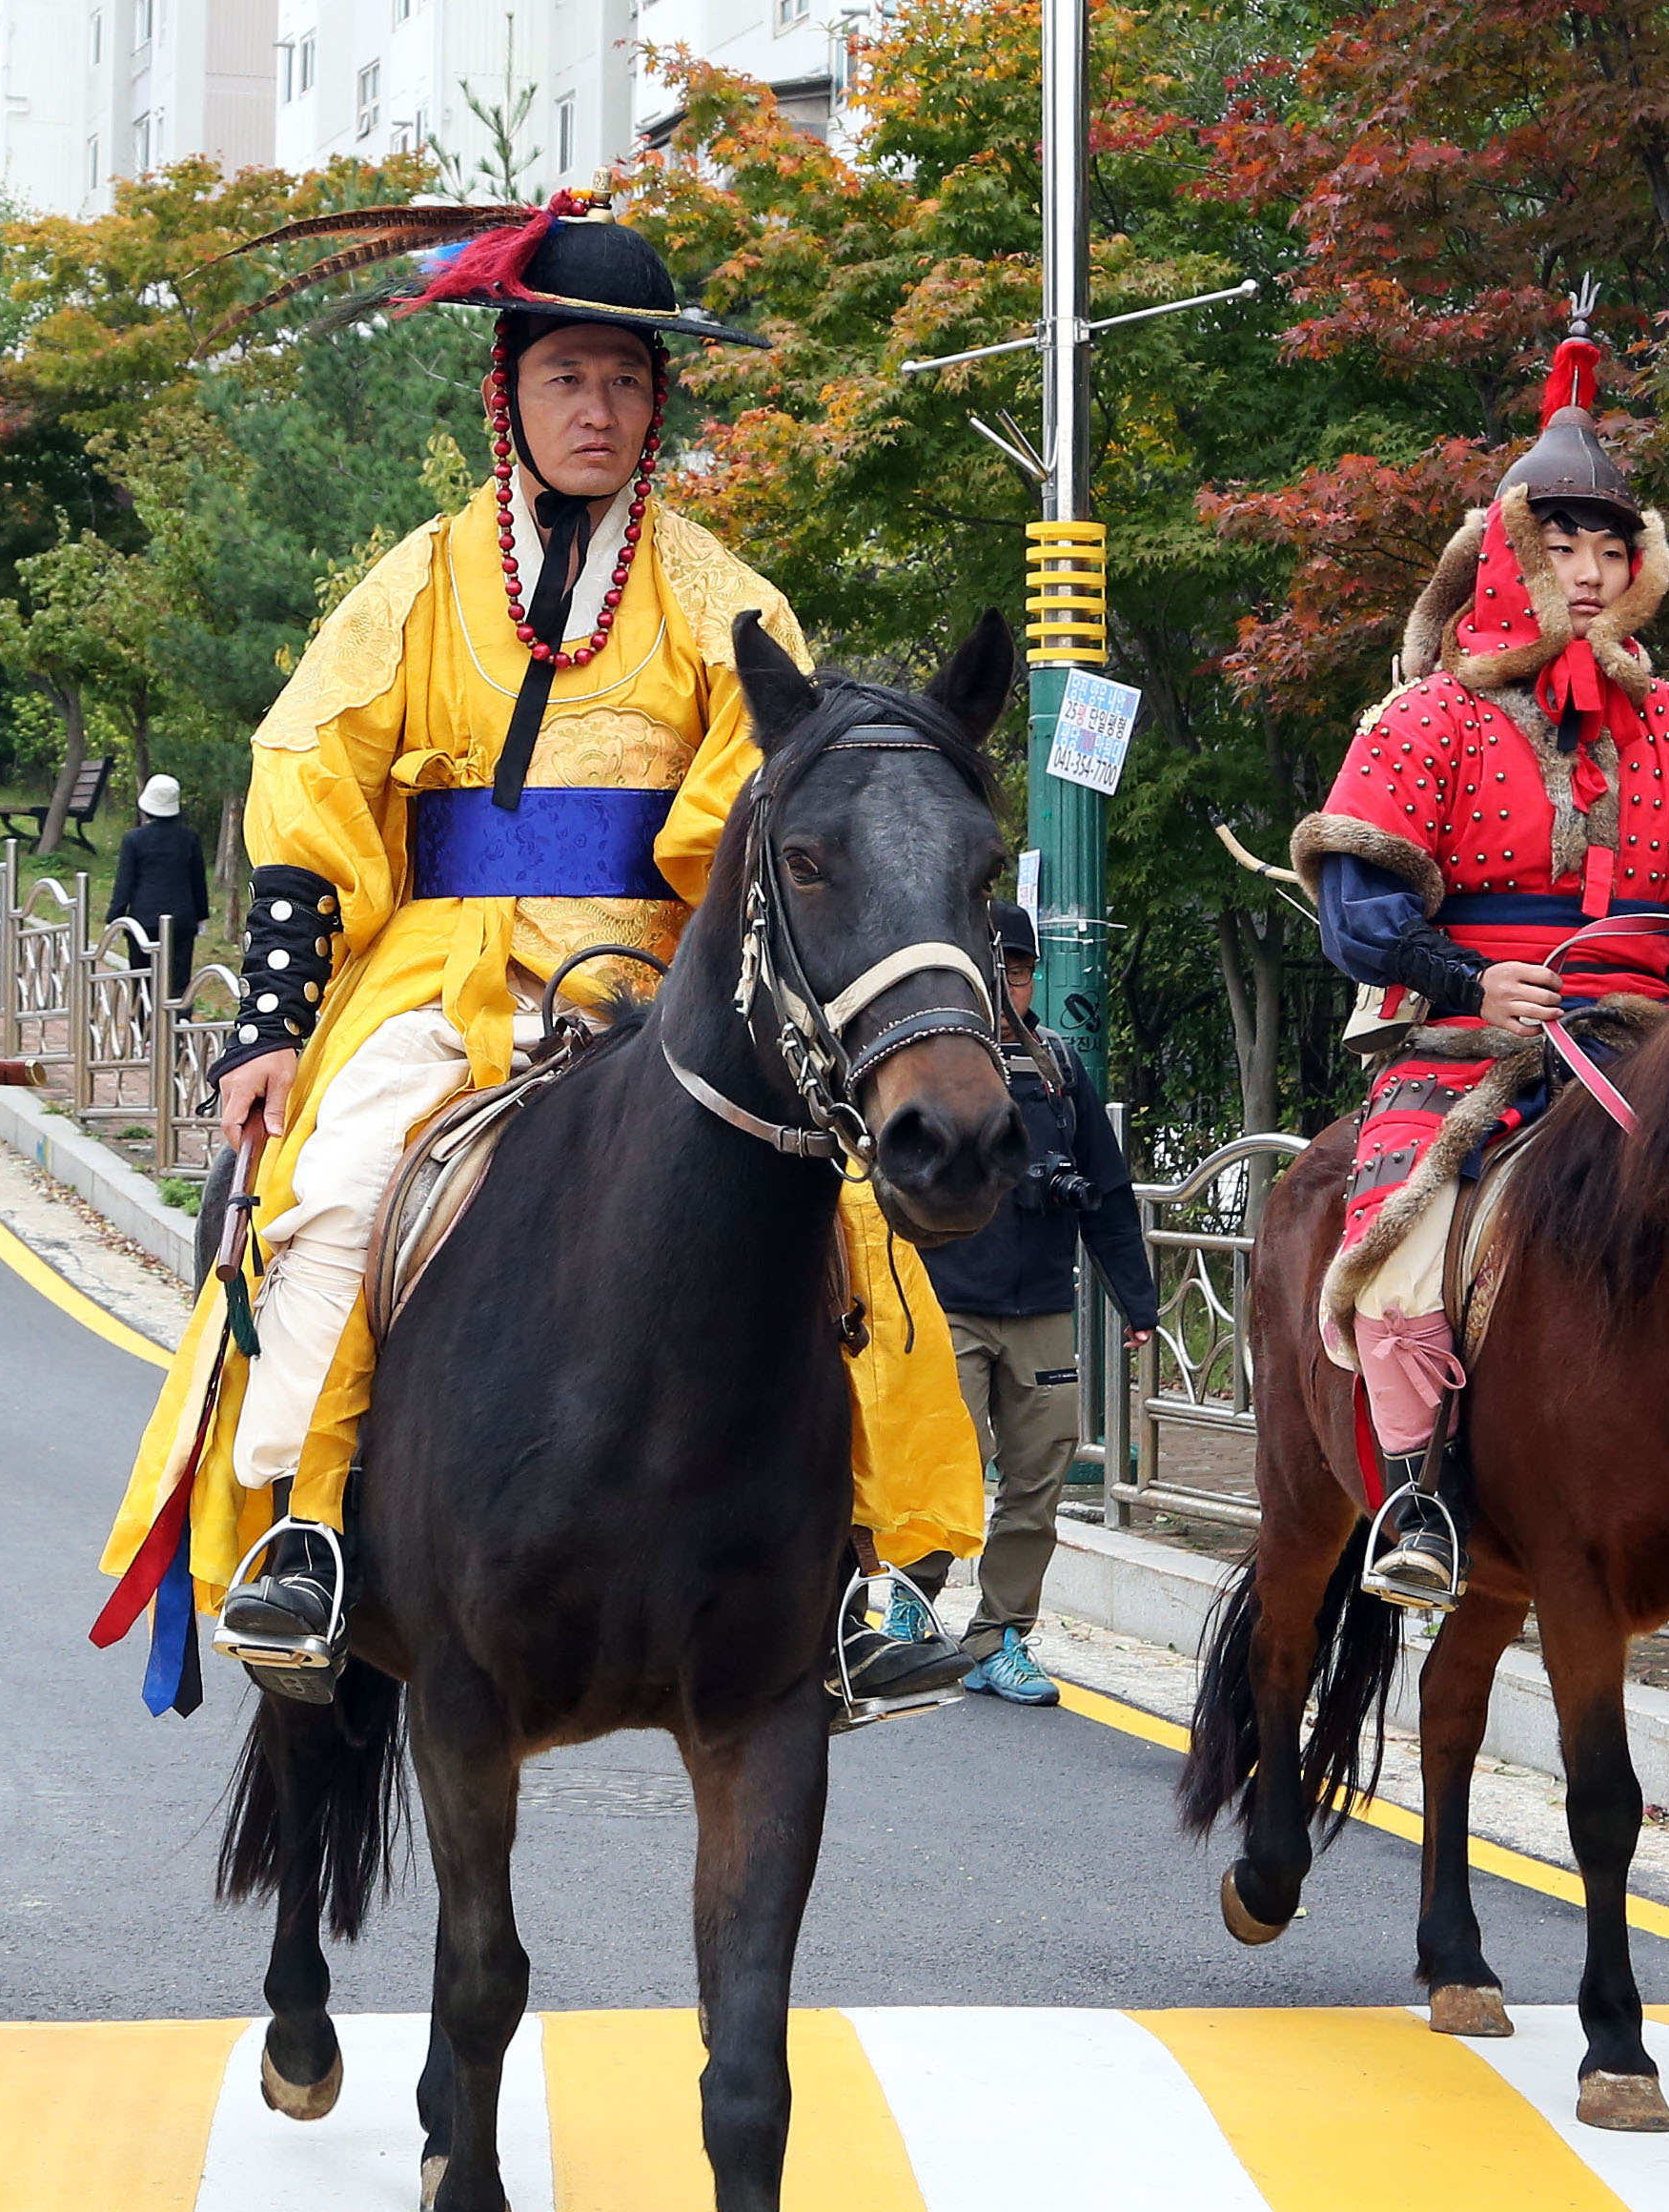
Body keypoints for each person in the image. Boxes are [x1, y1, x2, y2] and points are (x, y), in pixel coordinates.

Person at [98, 193, 984, 1706]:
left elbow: (761, 825)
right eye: (568, 376)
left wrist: (715, 992)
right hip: (439, 977)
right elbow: (313, 787)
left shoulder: (728, 599)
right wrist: (267, 1029)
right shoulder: (418, 582)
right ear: (507, 392)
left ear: (661, 406)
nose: (600, 407)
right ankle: (305, 1536)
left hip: (666, 979)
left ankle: (886, 1570)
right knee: (334, 1192)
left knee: (851, 1222)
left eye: (629, 381)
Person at [1286, 299, 1669, 1608]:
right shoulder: (1427, 722)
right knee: (1403, 1232)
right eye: (1562, 541)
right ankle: (1420, 1494)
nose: (1589, 568)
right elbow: (1356, 912)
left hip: (1647, 1041)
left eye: (1610, 544)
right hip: (1466, 1044)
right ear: (1509, 555)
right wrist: (1473, 981)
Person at [899, 902, 1158, 1707]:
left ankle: (1000, 1635)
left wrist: (1138, 1303)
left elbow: (1109, 1197)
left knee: (1039, 1477)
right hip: (948, 1301)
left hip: (1042, 1305)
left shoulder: (1058, 1072)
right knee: (945, 1466)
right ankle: (909, 1605)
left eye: (1018, 968)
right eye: (993, 967)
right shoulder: (928, 1062)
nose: (1007, 984)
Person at [104, 771, 208, 1001]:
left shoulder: (133, 839)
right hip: (182, 920)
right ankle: (179, 1029)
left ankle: (142, 1029)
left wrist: (114, 918)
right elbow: (197, 881)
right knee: (180, 982)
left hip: (144, 921)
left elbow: (125, 883)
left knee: (142, 980)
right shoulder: (189, 838)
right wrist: (201, 916)